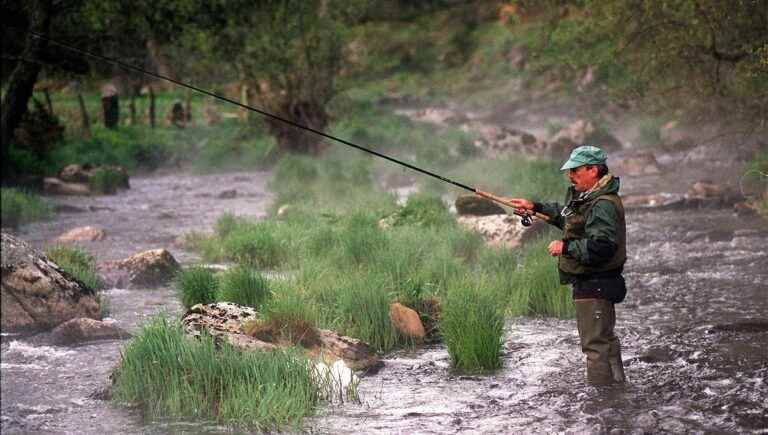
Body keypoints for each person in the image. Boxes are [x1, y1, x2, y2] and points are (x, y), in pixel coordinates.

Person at [506, 145, 627, 384]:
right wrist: (535, 207)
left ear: (593, 170)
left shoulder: (602, 204)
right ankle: (617, 391)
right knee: (605, 341)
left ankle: (601, 400)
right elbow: (569, 220)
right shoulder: (587, 198)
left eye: (575, 170)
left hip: (595, 283)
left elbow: (603, 247)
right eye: (569, 171)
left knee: (595, 347)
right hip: (596, 282)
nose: (570, 176)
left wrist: (566, 247)